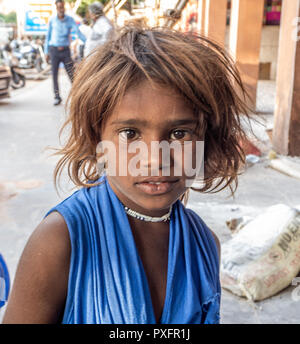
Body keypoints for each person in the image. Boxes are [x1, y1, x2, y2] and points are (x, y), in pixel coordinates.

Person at [2, 25, 252, 324]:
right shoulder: (61, 241)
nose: (155, 160)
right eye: (130, 133)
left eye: (179, 133)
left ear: (207, 141)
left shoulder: (205, 245)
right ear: (98, 142)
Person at [44, 0, 87, 106]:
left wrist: (88, 41)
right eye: (59, 8)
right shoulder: (52, 20)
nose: (61, 9)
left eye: (62, 7)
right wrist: (46, 52)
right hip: (54, 50)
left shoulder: (70, 20)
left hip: (65, 51)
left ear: (64, 7)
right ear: (56, 8)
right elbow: (48, 36)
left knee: (71, 74)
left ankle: (78, 96)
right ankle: (57, 97)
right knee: (54, 74)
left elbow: (78, 32)